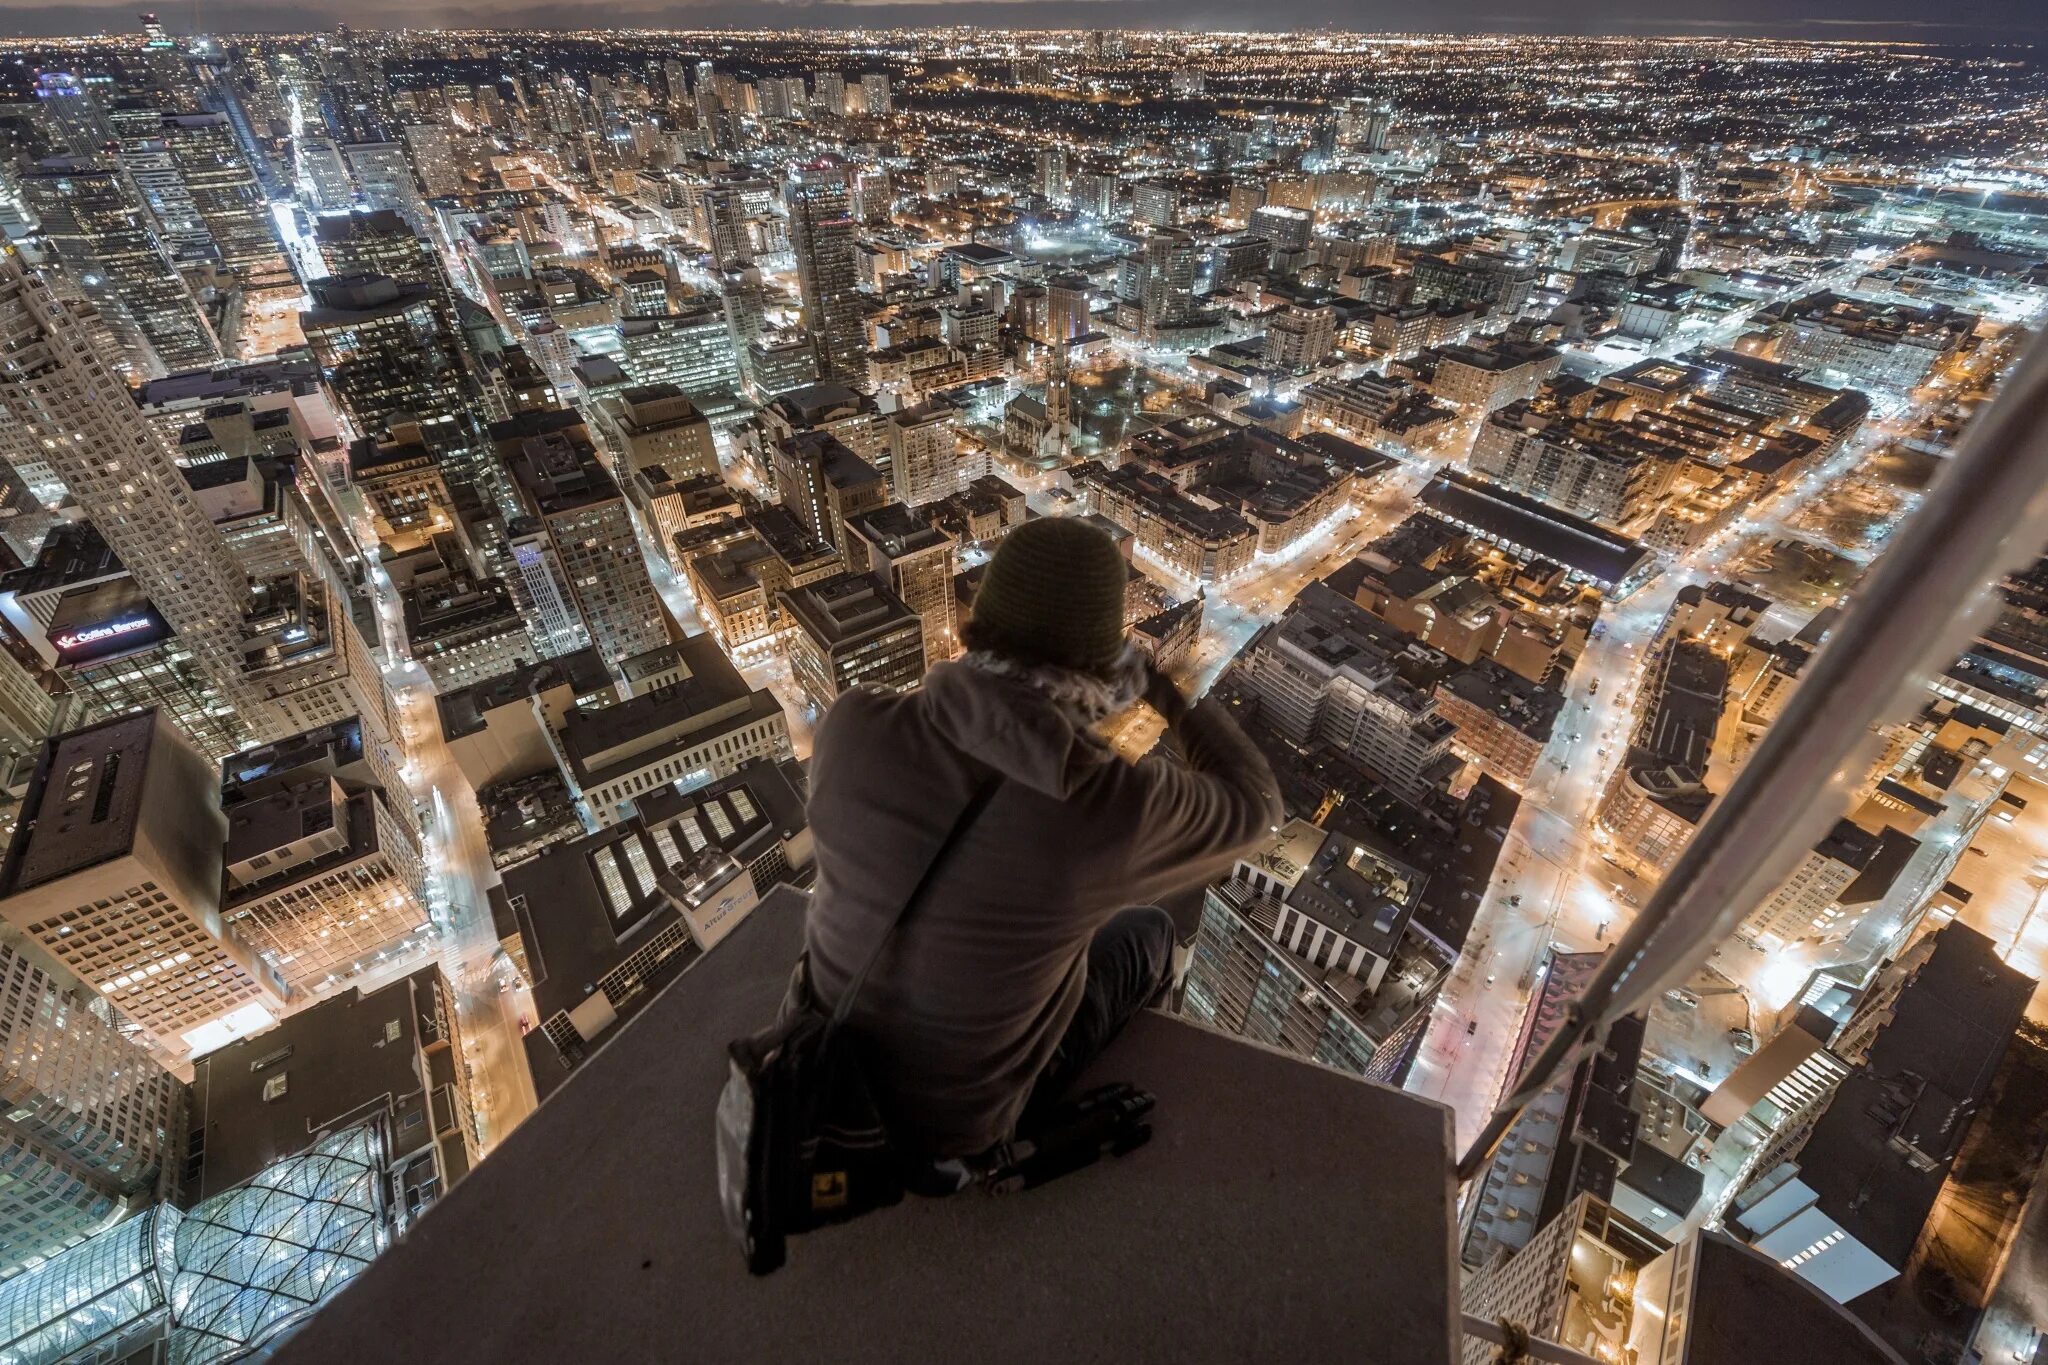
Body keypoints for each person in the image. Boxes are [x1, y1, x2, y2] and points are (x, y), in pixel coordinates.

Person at [803, 516, 1284, 1163]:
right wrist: (1162, 689)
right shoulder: (1101, 808)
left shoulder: (849, 725)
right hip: (958, 1128)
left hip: (822, 1068)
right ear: (1100, 670)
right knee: (1146, 931)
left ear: (977, 632)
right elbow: (1259, 809)